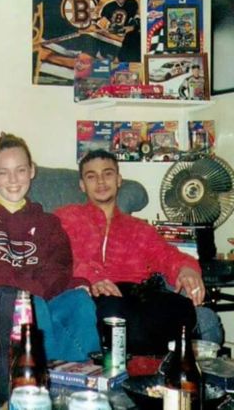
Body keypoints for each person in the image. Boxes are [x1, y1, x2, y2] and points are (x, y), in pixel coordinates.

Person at [0, 133, 100, 406]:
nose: (13, 179)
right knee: (28, 303)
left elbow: (58, 270)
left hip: (38, 297)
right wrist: (22, 288)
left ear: (32, 171)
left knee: (79, 302)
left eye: (20, 170)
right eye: (3, 172)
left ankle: (85, 388)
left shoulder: (48, 223)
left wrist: (38, 289)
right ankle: (42, 392)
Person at [55, 149, 223, 355]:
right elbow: (56, 256)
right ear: (82, 185)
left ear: (119, 180)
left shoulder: (139, 229)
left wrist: (186, 269)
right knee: (114, 313)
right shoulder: (66, 218)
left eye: (107, 173)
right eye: (91, 176)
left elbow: (167, 255)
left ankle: (156, 355)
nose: (101, 181)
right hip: (92, 296)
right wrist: (91, 277)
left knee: (184, 309)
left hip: (135, 297)